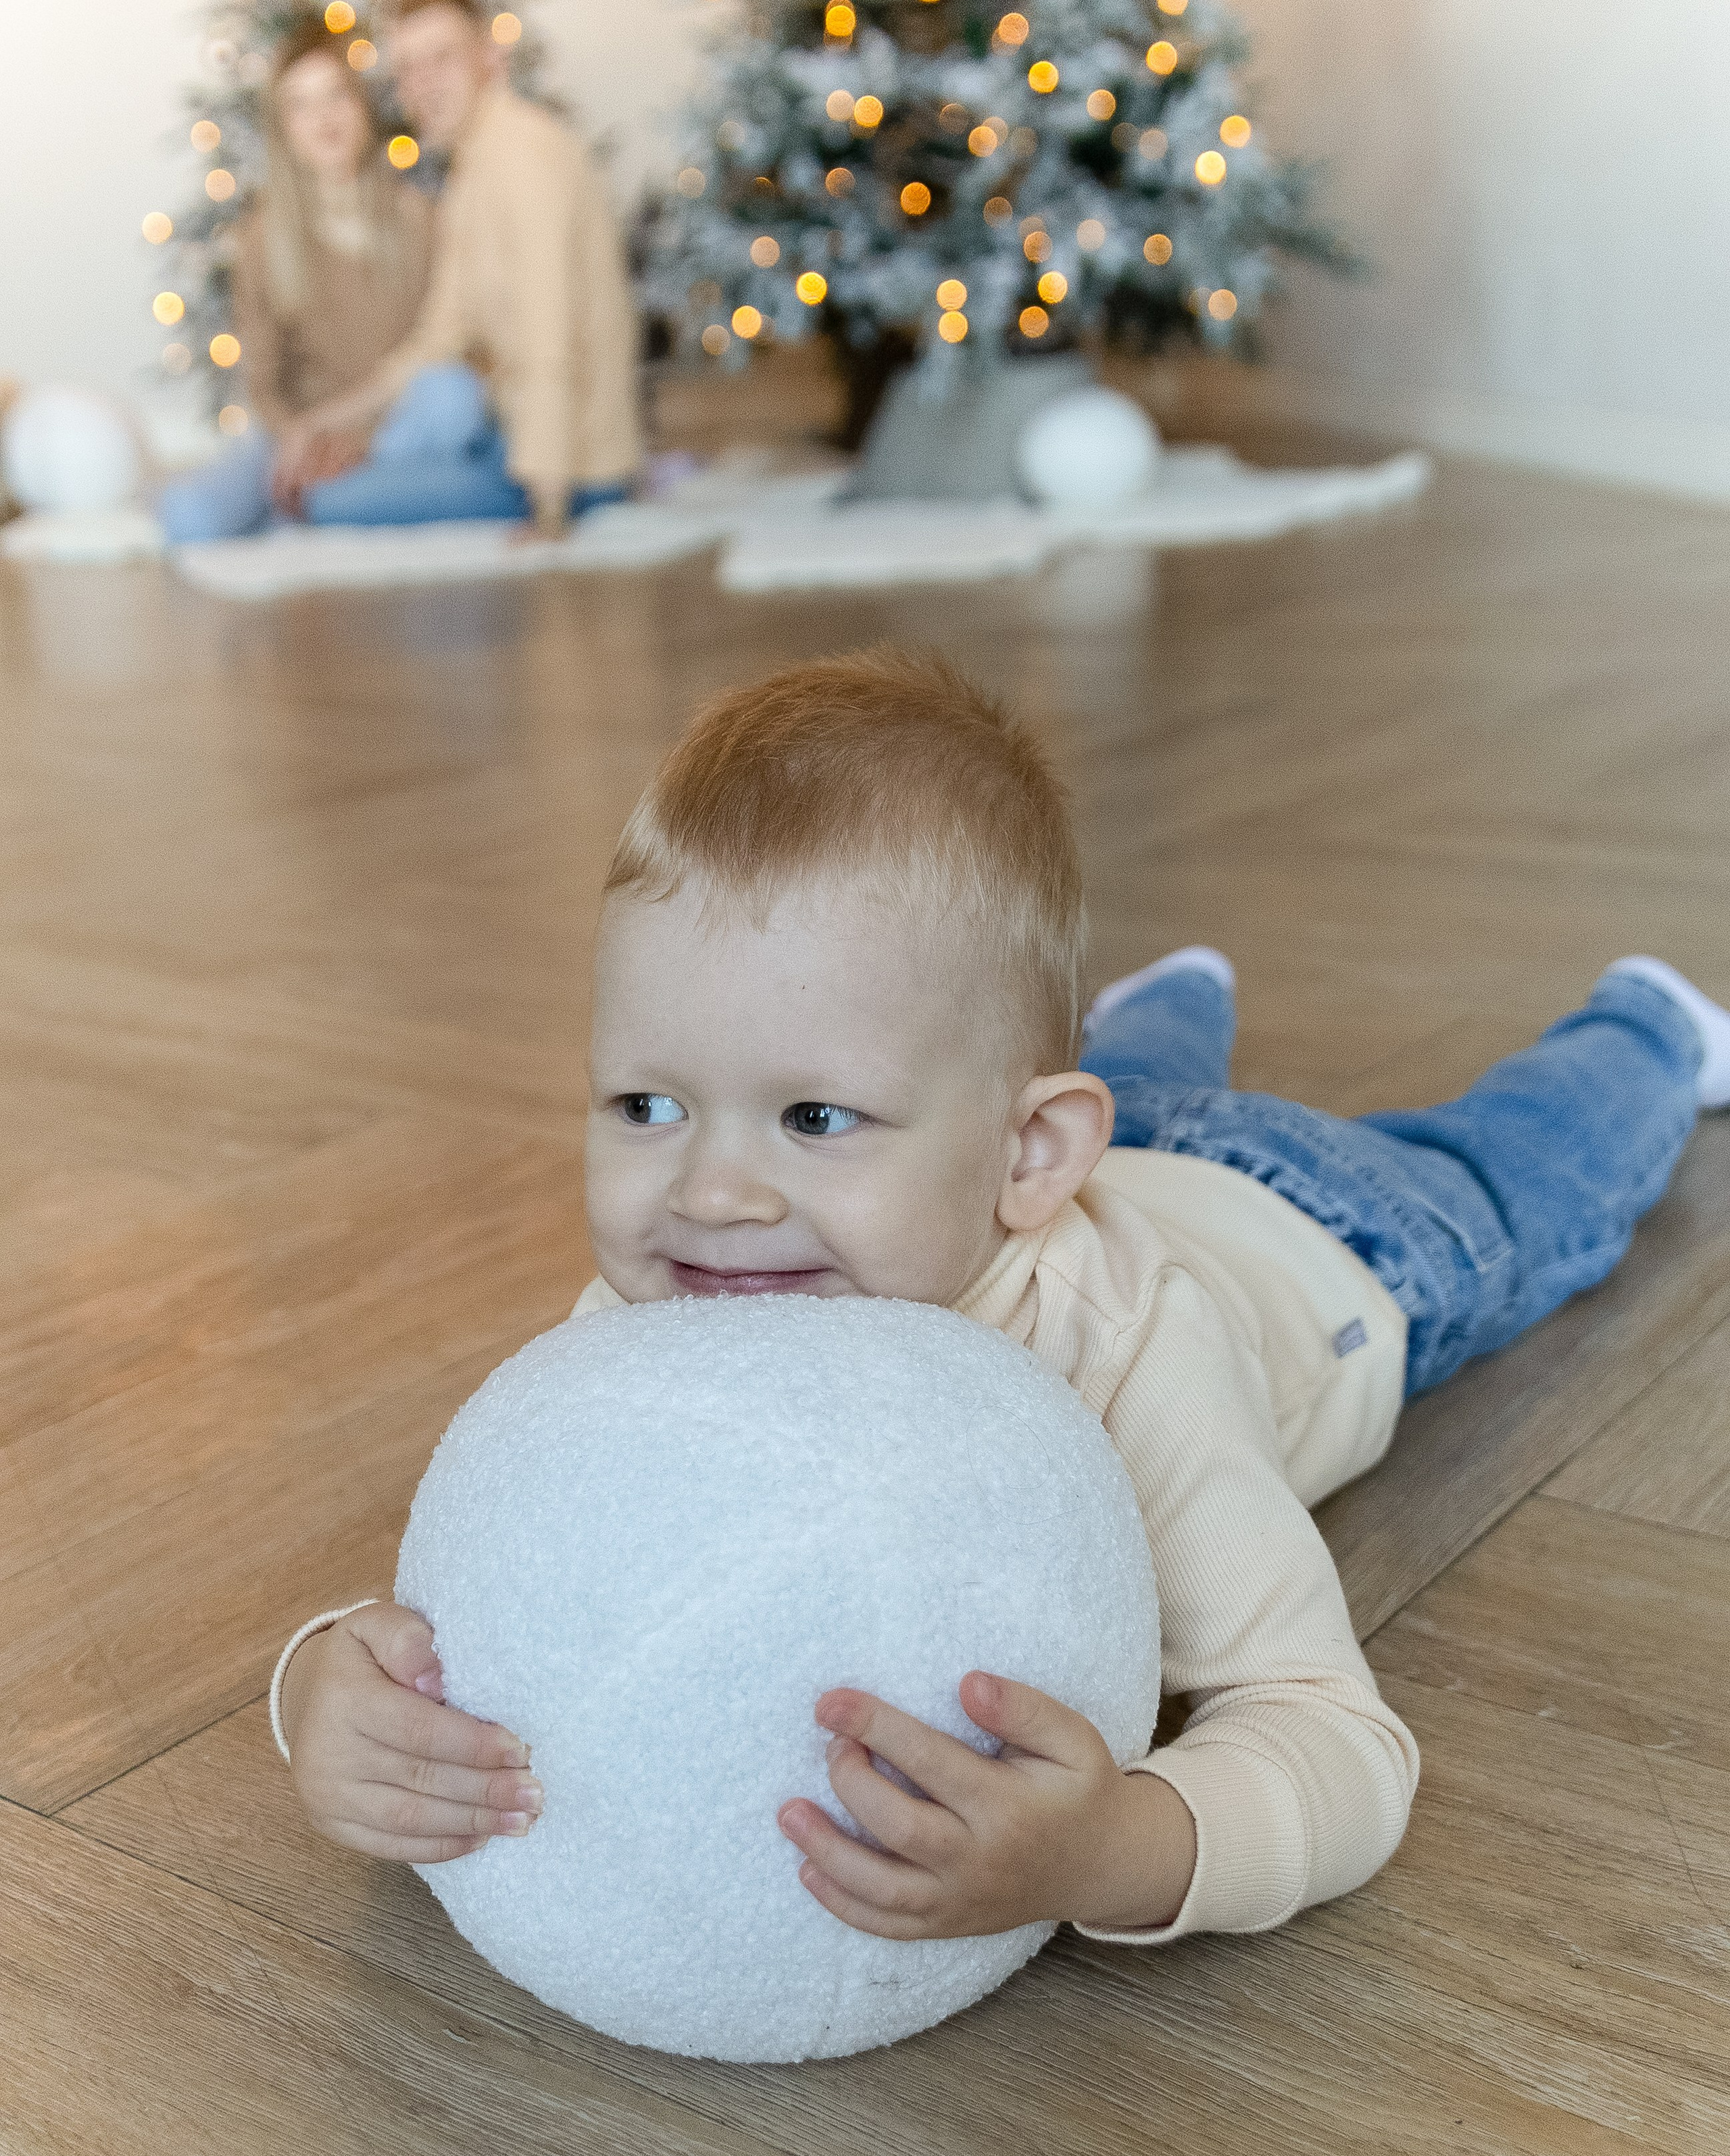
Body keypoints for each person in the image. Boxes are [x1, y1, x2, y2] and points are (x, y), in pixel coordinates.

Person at [271, 652, 1729, 1946]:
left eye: (813, 1120)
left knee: (1521, 1182)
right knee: (1134, 1086)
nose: (709, 1194)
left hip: (1326, 1230)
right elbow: (459, 1613)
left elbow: (1338, 1744)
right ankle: (1161, 1015)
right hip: (1079, 1138)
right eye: (647, 1102)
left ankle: (1646, 1035)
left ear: (1029, 1156)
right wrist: (327, 1698)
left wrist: (1116, 1849)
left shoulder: (1124, 1365)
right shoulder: (681, 1315)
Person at [270, 0, 642, 536]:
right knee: (428, 409)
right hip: (510, 439)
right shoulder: (472, 170)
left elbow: (551, 336)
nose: (422, 85)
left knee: (328, 505)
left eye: (442, 59)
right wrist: (322, 420)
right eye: (407, 69)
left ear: (489, 58)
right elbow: (438, 336)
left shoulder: (525, 159)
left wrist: (548, 507)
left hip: (568, 468)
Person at [157, 18, 453, 545]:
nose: (323, 119)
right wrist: (302, 440)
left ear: (363, 109)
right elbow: (265, 385)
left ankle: (338, 498)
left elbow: (439, 354)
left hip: (399, 436)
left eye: (337, 96)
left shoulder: (419, 220)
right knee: (187, 515)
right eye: (300, 104)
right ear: (284, 128)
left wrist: (362, 437)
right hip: (305, 438)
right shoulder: (261, 239)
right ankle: (335, 497)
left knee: (453, 400)